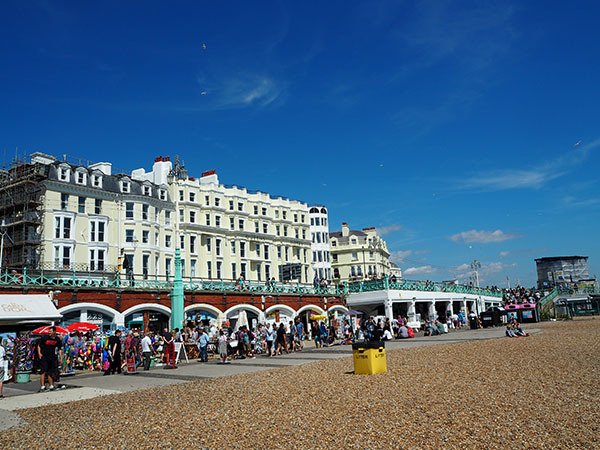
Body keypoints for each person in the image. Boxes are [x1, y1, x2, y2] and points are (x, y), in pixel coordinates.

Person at [38, 326, 63, 391]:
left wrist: (61, 358)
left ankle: (51, 385)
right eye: (49, 331)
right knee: (43, 371)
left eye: (50, 331)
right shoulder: (45, 338)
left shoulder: (57, 339)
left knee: (50, 371)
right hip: (44, 356)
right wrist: (39, 353)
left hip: (51, 357)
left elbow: (60, 348)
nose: (49, 332)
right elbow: (39, 346)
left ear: (54, 332)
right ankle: (42, 386)